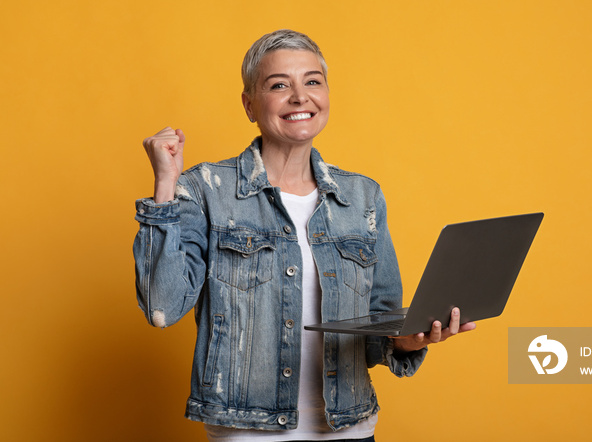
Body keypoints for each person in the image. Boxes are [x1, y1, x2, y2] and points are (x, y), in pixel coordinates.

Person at [133, 29, 475, 441]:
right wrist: (165, 190)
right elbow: (162, 306)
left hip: (350, 428)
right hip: (247, 432)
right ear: (249, 105)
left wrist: (405, 341)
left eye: (312, 81)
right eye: (279, 85)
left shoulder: (362, 196)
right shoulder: (206, 189)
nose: (300, 97)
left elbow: (379, 325)